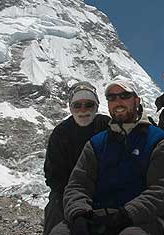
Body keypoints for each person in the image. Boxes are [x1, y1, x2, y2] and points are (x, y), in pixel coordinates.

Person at [50, 80, 164, 235]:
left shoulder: (158, 141)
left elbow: (163, 189)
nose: (118, 101)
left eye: (124, 95)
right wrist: (79, 214)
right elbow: (78, 184)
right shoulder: (96, 143)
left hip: (140, 219)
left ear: (137, 100)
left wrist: (127, 215)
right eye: (111, 97)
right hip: (95, 216)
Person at [43, 81, 111, 235]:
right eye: (77, 105)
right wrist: (76, 200)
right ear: (70, 107)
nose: (83, 110)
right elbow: (54, 176)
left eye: (89, 105)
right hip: (66, 192)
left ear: (97, 106)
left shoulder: (107, 126)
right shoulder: (60, 133)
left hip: (104, 189)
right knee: (55, 209)